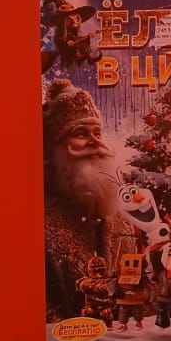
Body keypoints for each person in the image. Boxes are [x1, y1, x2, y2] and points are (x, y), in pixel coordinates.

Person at [43, 78, 133, 320]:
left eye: (97, 132)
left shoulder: (122, 220)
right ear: (53, 148)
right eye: (80, 133)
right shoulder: (39, 221)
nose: (95, 142)